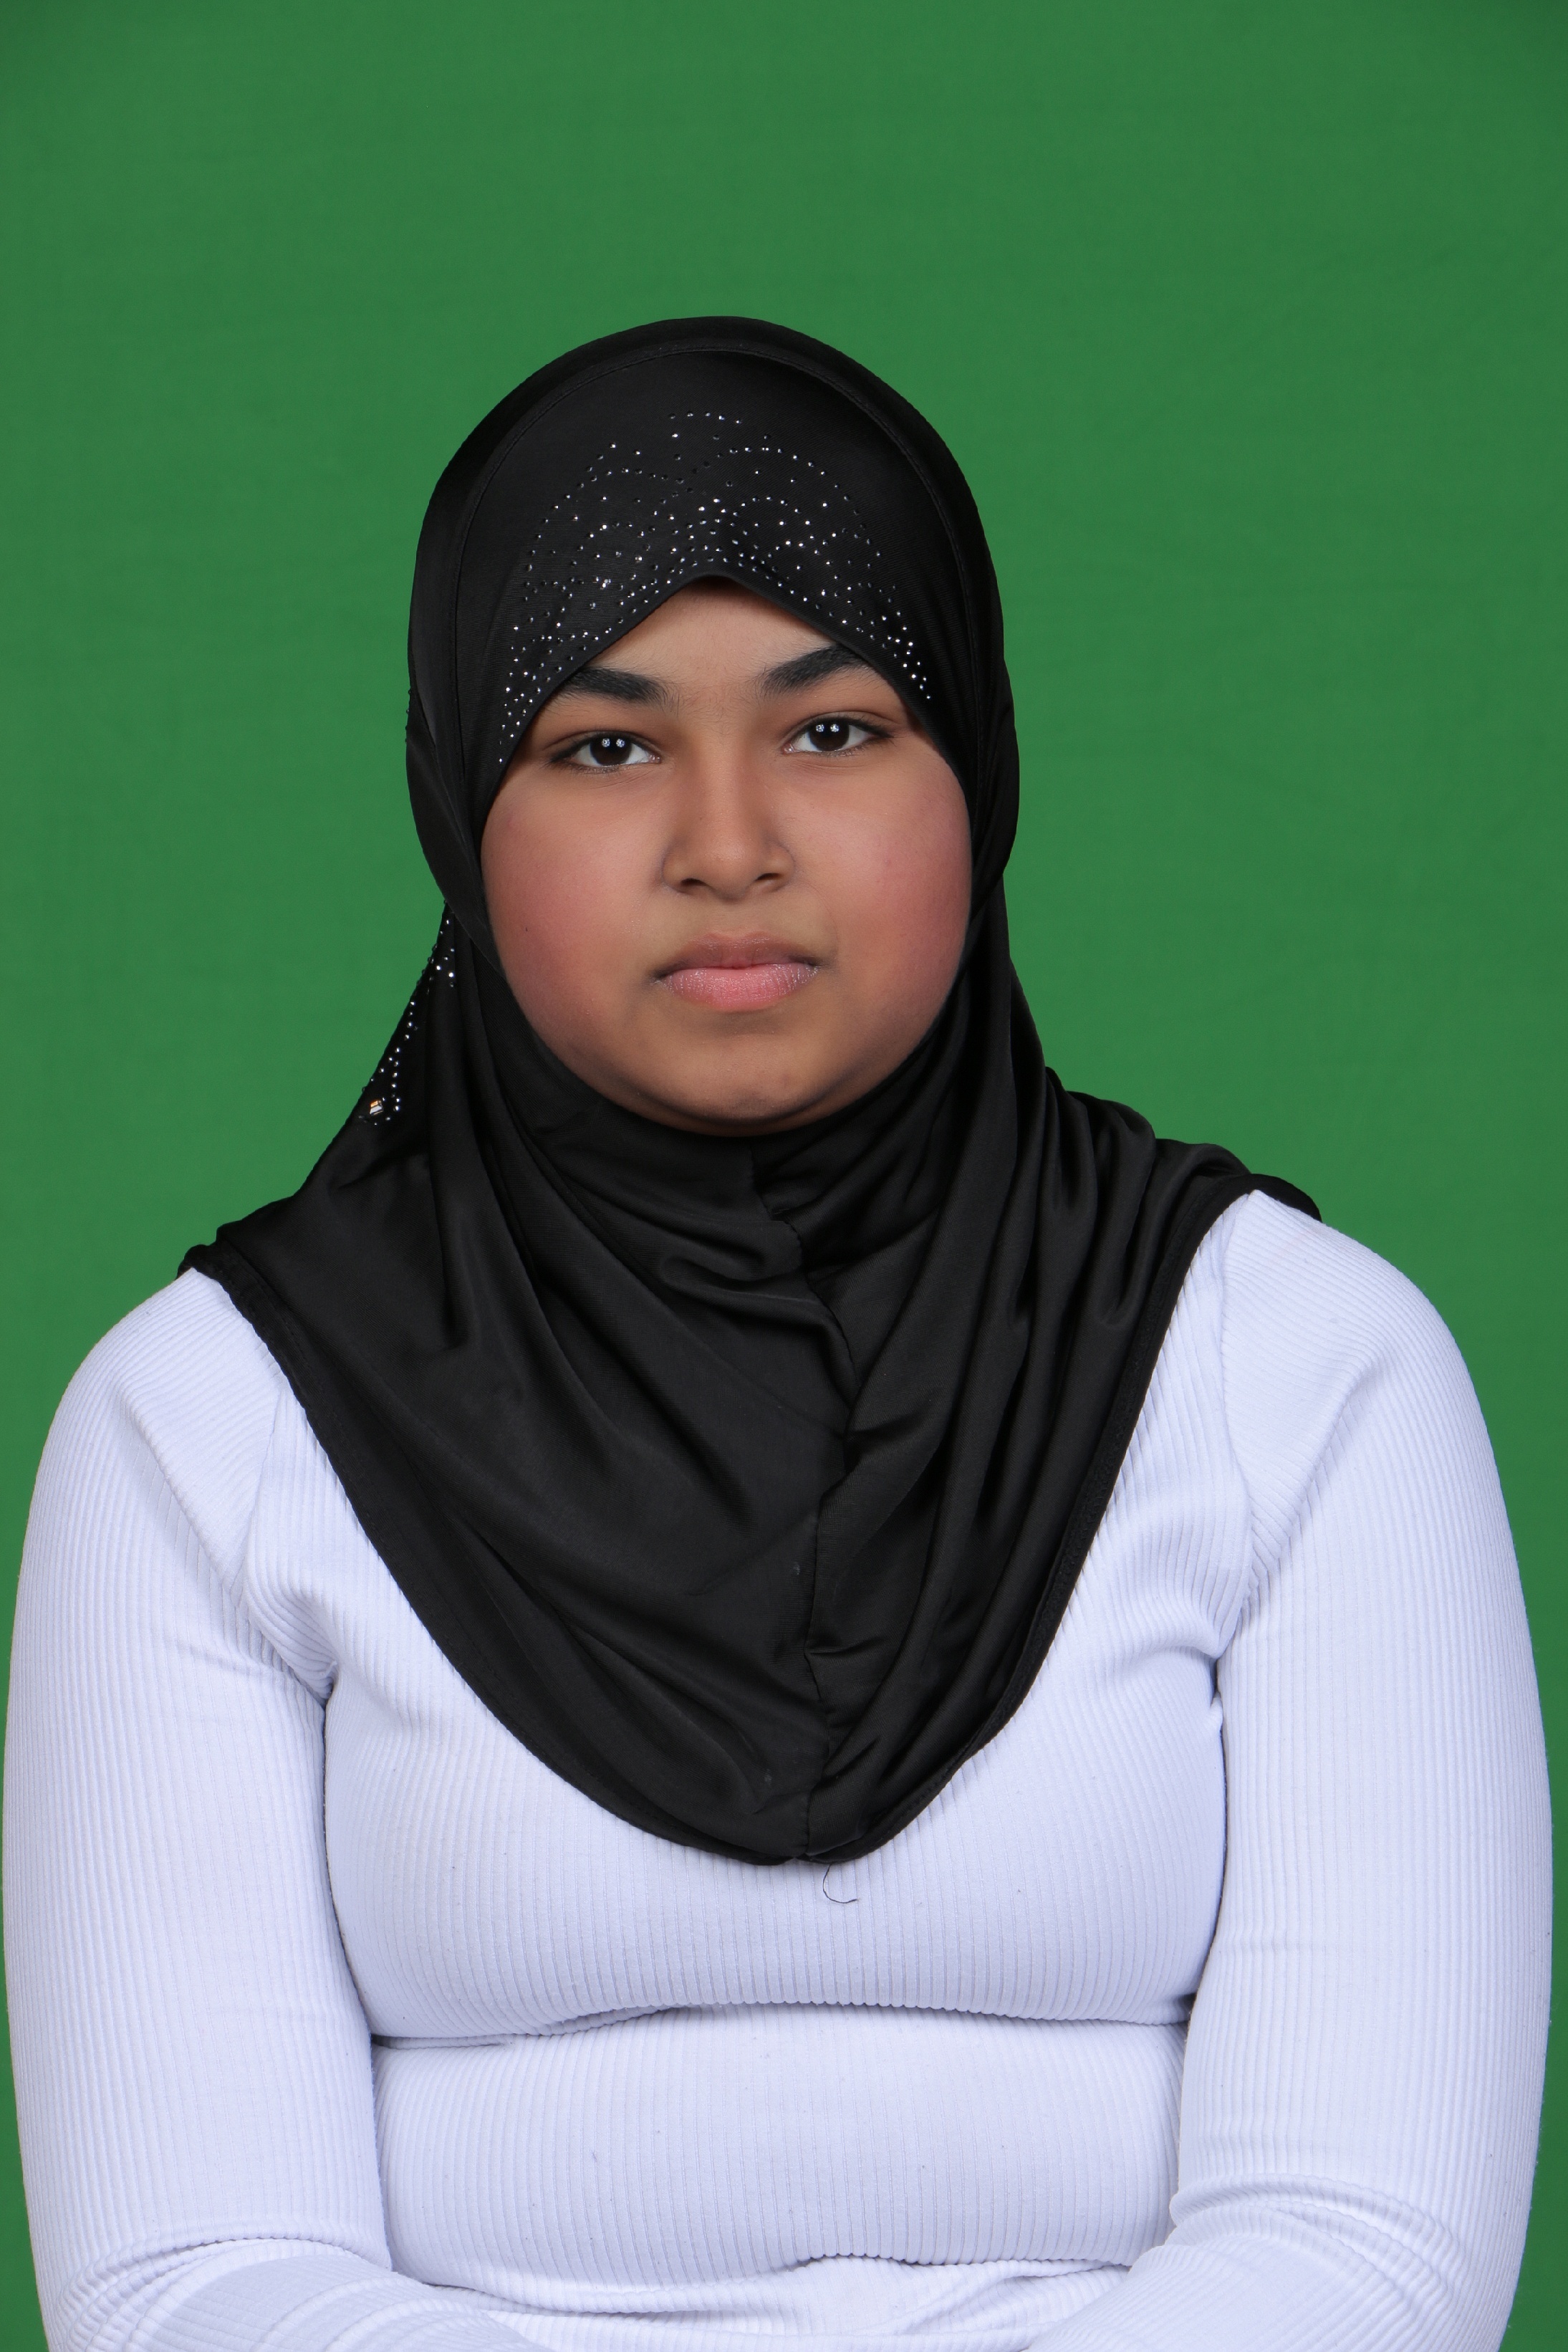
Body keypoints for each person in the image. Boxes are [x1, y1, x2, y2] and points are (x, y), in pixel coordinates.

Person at [4, 319, 1549, 2352]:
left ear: (979, 771)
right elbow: (190, 2286)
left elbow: (1367, 2256)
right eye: (604, 745)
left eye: (832, 730)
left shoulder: (1298, 1369)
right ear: (457, 806)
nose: (727, 844)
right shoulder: (210, 1421)